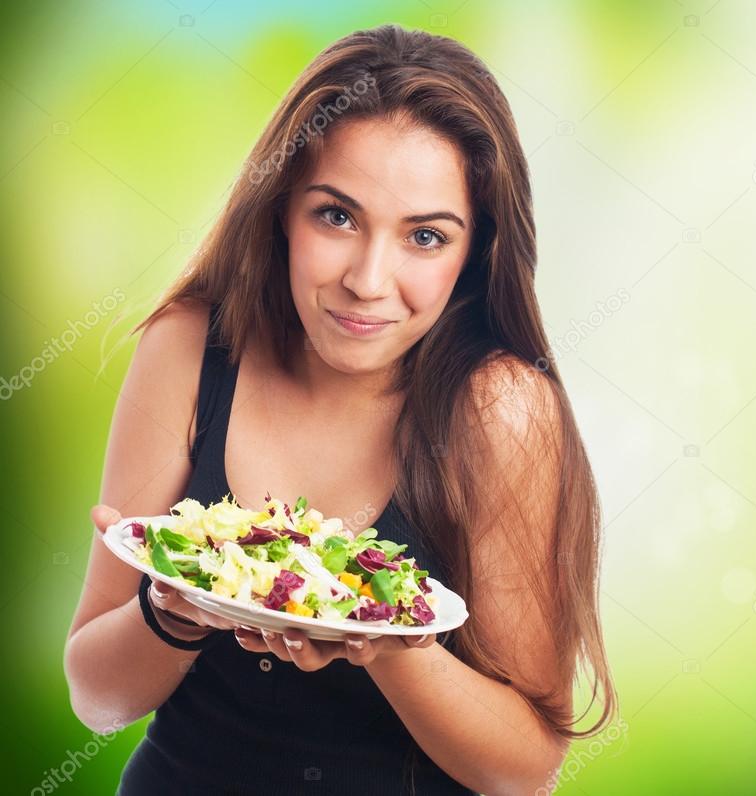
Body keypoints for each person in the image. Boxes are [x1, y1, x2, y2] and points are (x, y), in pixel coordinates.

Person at [63, 23, 617, 795]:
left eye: (424, 236)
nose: (367, 279)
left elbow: (522, 768)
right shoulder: (191, 347)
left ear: (473, 253)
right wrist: (171, 614)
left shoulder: (500, 408)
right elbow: (96, 697)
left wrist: (387, 640)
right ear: (281, 209)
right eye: (336, 216)